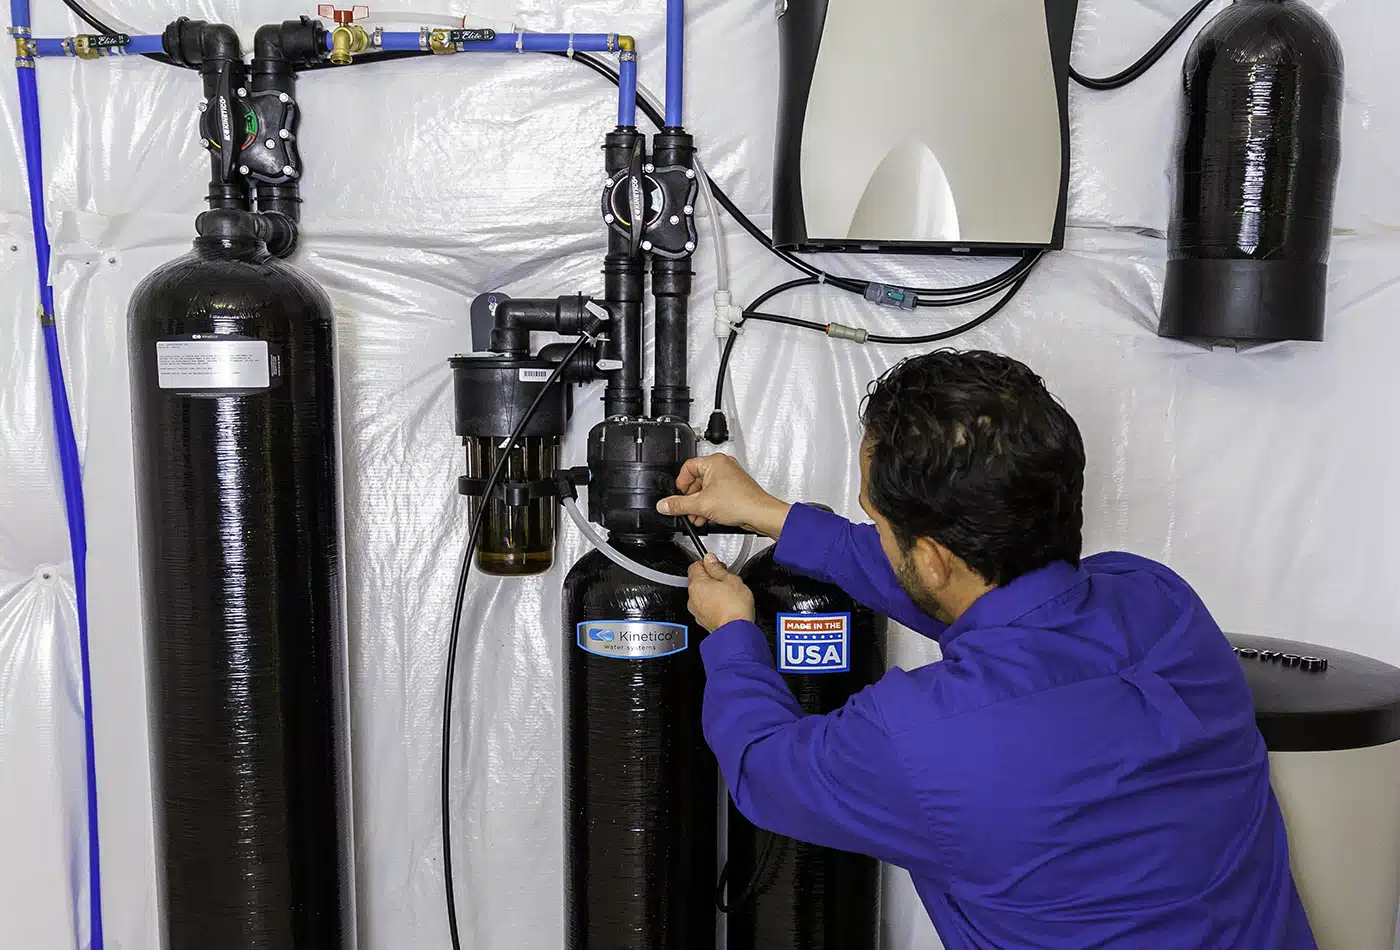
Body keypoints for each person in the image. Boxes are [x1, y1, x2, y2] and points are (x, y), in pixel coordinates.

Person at [658, 349, 1313, 949]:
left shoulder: (917, 740)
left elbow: (762, 766)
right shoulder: (1158, 601)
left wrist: (734, 634)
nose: (874, 532)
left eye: (879, 520)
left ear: (936, 558)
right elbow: (983, 606)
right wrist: (769, 513)